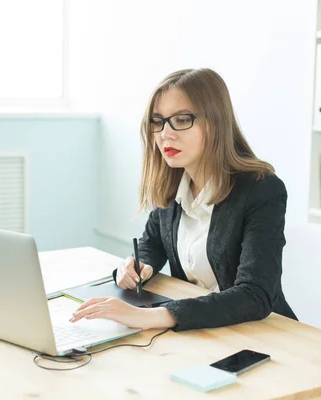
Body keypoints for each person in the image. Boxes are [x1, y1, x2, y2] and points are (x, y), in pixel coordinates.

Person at [70, 68, 297, 331]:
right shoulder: (173, 186)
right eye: (158, 122)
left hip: (261, 333)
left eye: (181, 120)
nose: (166, 134)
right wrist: (136, 266)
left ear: (215, 123)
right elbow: (151, 245)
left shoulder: (262, 190)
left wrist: (155, 316)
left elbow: (255, 295)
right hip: (201, 330)